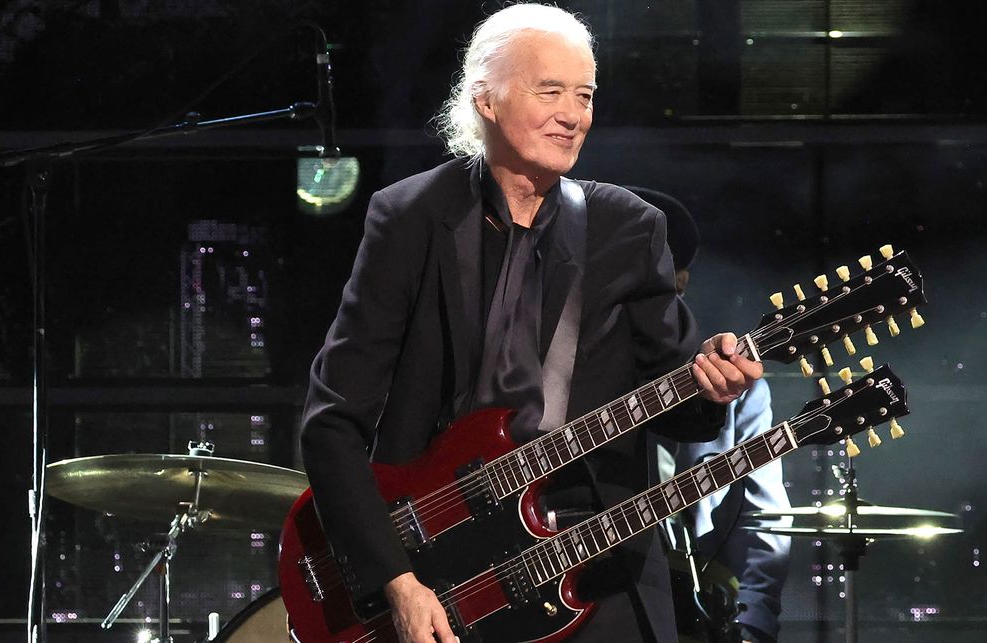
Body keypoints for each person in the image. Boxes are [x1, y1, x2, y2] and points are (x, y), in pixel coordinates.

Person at [299, 5, 763, 643]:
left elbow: (680, 411)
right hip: (442, 572)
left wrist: (713, 388)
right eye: (552, 91)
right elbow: (332, 422)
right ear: (485, 100)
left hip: (594, 563)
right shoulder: (407, 218)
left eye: (586, 95)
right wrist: (396, 582)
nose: (574, 115)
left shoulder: (628, 227)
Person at [627, 187, 790, 643]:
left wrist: (753, 625)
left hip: (692, 607)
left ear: (681, 283)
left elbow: (762, 518)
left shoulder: (731, 376)